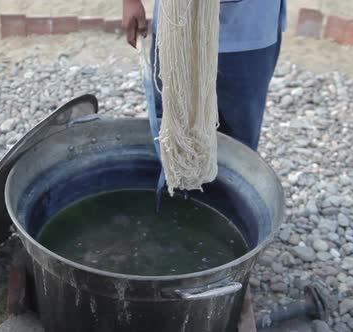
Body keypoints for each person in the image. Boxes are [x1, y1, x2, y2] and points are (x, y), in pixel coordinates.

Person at [122, 0, 288, 331]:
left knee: (238, 150)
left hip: (249, 33)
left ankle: (227, 263)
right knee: (174, 139)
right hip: (176, 26)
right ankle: (166, 237)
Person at [122, 0, 287, 152]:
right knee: (173, 138)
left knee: (238, 146)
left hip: (248, 31)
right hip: (178, 30)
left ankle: (226, 183)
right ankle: (173, 182)